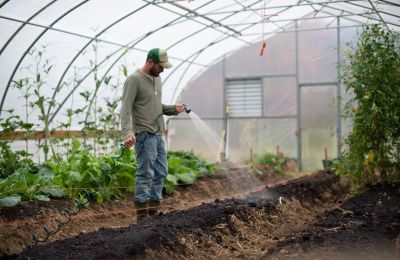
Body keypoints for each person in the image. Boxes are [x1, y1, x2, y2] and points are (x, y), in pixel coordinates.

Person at [120, 48, 185, 222]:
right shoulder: (133, 80)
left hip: (157, 134)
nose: (163, 70)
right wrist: (127, 133)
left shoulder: (157, 79)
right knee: (145, 173)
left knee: (161, 172)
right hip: (144, 135)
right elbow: (125, 109)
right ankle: (142, 216)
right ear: (150, 62)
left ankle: (154, 212)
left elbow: (156, 106)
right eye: (160, 66)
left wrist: (172, 109)